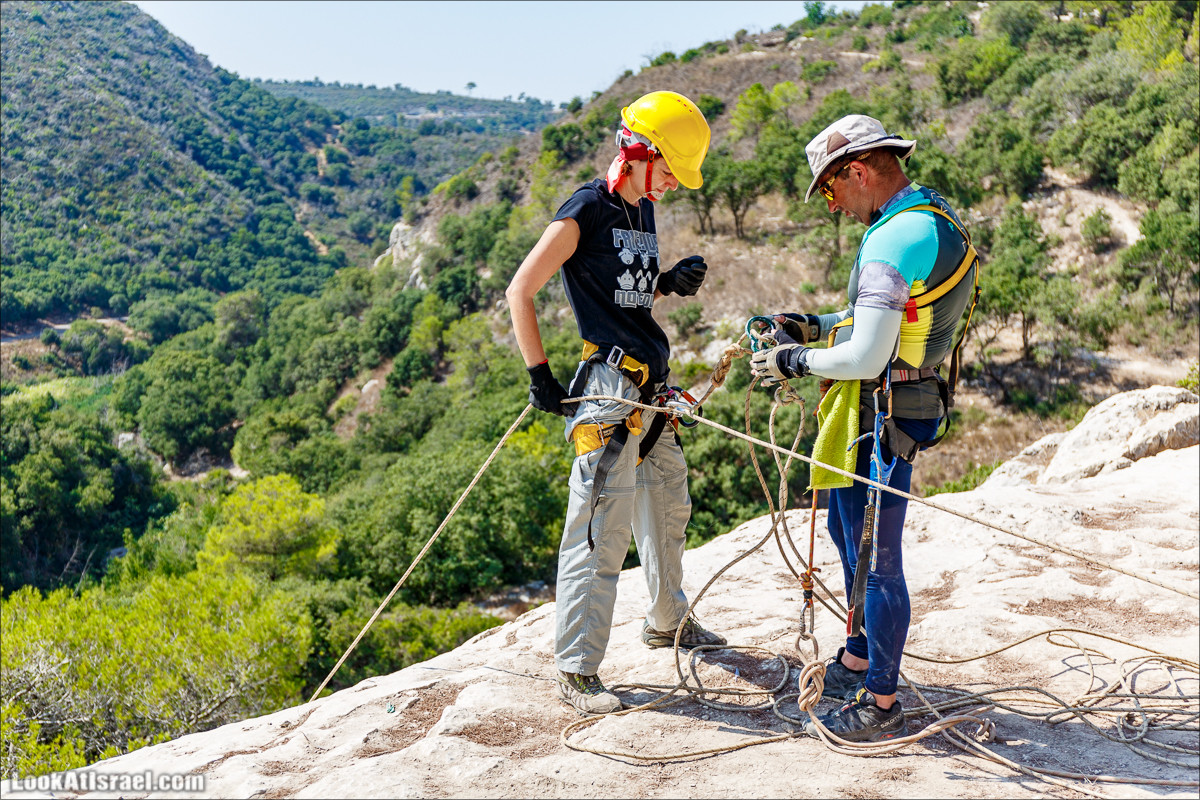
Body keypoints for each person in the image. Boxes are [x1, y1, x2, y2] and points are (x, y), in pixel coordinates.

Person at [750, 114, 978, 742]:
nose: (832, 205)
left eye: (829, 190)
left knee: (877, 559)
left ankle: (882, 702)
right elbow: (874, 322)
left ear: (856, 171)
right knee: (847, 531)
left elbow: (866, 357)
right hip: (891, 404)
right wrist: (813, 323)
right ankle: (857, 654)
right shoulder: (925, 219)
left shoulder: (889, 241)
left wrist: (790, 360)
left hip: (882, 411)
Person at [506, 91, 726, 716]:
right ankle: (576, 669)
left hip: (650, 388)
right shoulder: (585, 209)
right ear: (638, 154)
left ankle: (667, 621)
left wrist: (664, 281)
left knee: (668, 504)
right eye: (669, 172)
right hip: (608, 388)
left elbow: (622, 286)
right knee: (600, 528)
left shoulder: (641, 208)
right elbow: (520, 289)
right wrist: (540, 375)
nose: (673, 187)